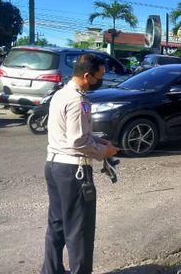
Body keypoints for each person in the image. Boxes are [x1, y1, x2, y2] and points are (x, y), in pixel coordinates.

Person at [42, 54, 119, 274]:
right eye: (99, 76)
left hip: (55, 166)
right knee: (80, 231)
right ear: (87, 75)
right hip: (74, 172)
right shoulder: (79, 100)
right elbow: (77, 141)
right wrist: (106, 151)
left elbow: (71, 134)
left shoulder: (60, 94)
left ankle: (51, 270)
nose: (101, 80)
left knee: (57, 226)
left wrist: (99, 141)